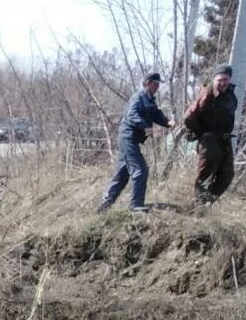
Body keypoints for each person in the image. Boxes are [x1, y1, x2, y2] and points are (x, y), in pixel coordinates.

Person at [97, 71, 172, 213]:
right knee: (140, 170)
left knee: (122, 175)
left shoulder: (149, 99)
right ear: (148, 83)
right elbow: (131, 115)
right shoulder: (138, 98)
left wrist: (168, 122)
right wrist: (145, 126)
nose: (158, 87)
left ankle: (103, 207)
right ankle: (136, 205)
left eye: (158, 84)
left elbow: (156, 114)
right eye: (156, 84)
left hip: (131, 139)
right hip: (128, 138)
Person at [182, 65, 238, 204]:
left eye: (226, 79)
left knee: (227, 175)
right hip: (209, 139)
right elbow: (188, 117)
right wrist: (199, 132)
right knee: (205, 174)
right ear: (214, 79)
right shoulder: (207, 94)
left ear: (229, 80)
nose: (223, 83)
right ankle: (198, 205)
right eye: (220, 80)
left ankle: (207, 201)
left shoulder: (230, 95)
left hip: (224, 139)